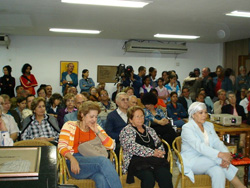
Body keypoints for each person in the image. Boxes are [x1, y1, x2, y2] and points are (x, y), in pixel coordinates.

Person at [178, 102, 246, 188]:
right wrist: (221, 155)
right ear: (193, 115)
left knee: (219, 171)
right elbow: (199, 146)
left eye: (205, 112)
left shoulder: (209, 125)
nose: (204, 115)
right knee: (218, 160)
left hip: (209, 159)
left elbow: (217, 142)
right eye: (201, 113)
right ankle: (239, 186)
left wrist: (226, 154)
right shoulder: (187, 128)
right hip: (192, 161)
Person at [58, 101, 122, 188]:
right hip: (75, 162)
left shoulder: (96, 127)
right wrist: (72, 159)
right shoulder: (69, 125)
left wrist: (97, 132)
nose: (94, 119)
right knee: (103, 161)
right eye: (91, 116)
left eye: (96, 117)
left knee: (101, 178)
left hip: (93, 162)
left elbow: (111, 146)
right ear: (82, 115)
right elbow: (61, 146)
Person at [120, 106, 173, 188]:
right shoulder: (126, 131)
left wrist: (160, 153)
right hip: (136, 161)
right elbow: (132, 147)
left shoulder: (150, 130)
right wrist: (152, 152)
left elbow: (158, 144)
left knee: (165, 175)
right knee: (148, 178)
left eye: (142, 116)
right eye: (137, 116)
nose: (140, 119)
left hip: (154, 159)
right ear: (130, 119)